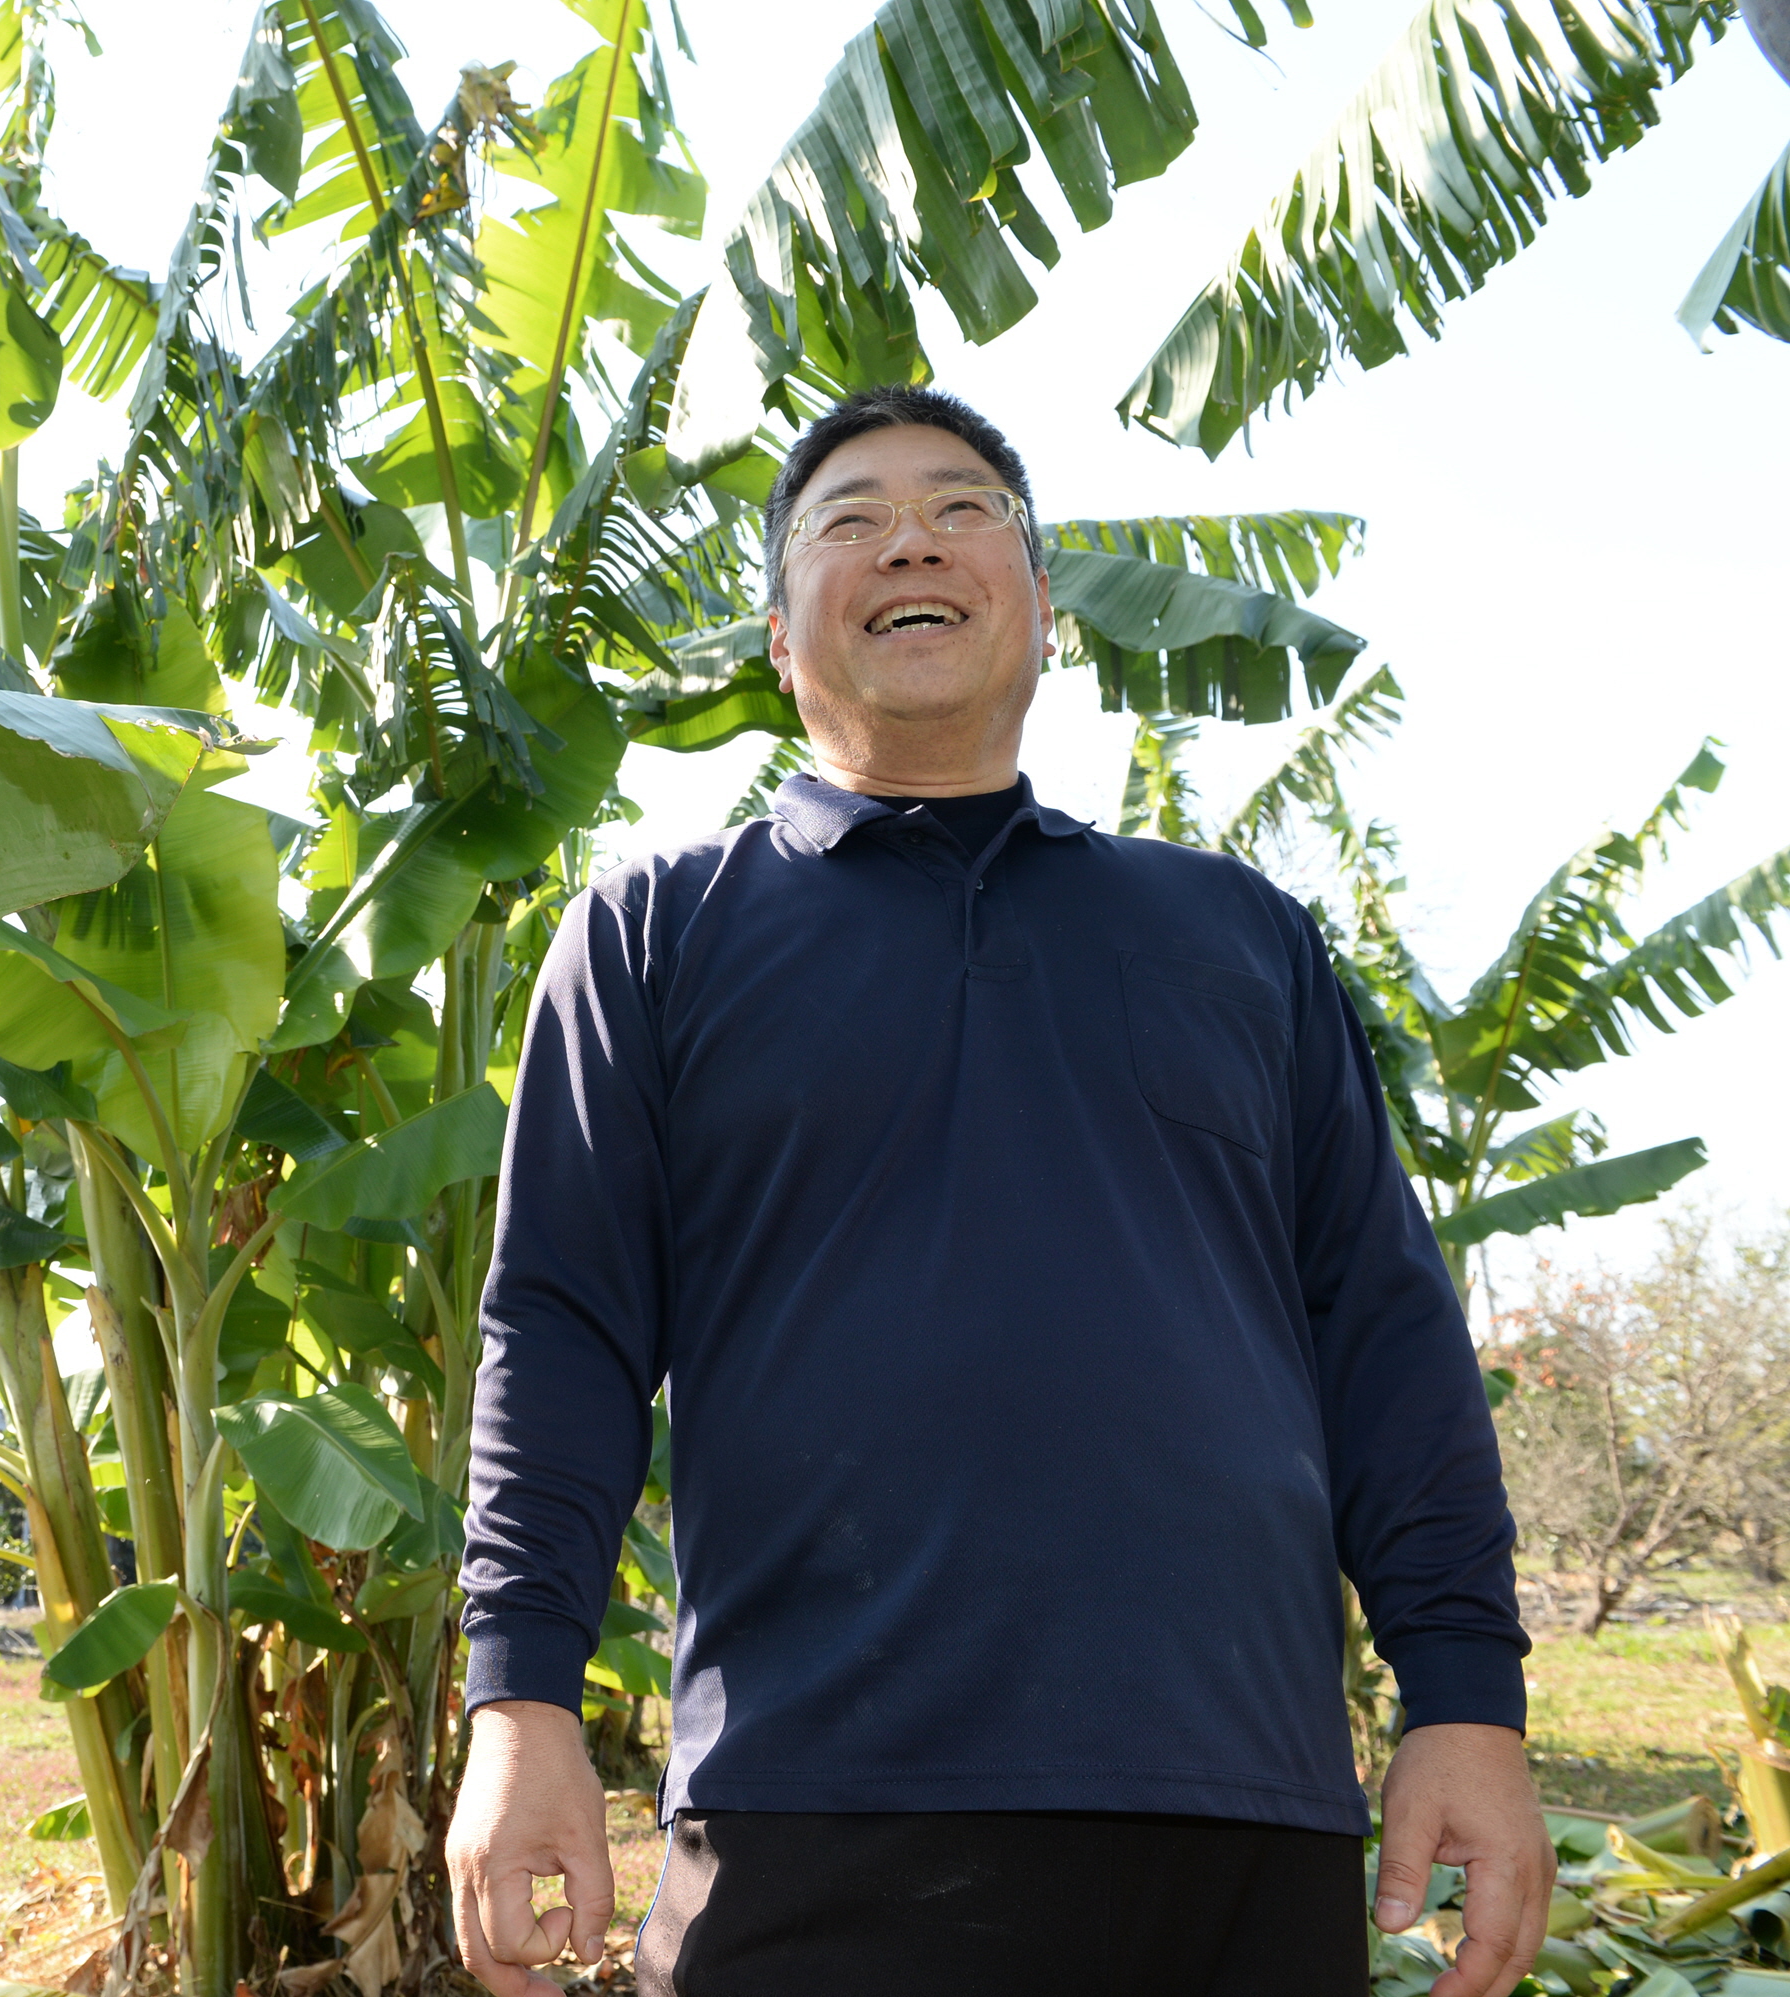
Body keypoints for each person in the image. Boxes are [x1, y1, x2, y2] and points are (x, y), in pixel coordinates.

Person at [444, 385, 1547, 1997]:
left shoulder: (1238, 935)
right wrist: (521, 1698)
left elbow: (1380, 1330)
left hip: (1233, 1818)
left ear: (1040, 610)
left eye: (966, 509)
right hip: (812, 1818)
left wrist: (1464, 1690)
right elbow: (562, 1334)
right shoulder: (653, 936)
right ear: (778, 636)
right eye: (850, 516)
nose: (911, 535)